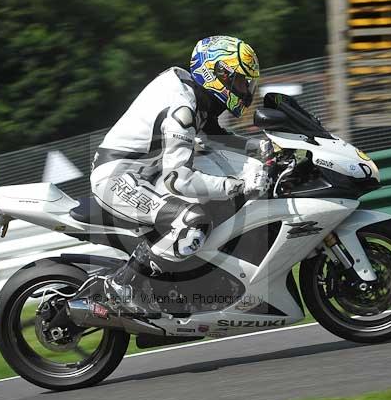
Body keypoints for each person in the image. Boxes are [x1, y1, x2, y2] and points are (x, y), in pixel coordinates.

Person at [90, 35, 268, 314]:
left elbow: (214, 134)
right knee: (192, 222)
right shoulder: (181, 109)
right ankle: (121, 285)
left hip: (147, 173)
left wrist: (260, 146)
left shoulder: (194, 94)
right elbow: (180, 180)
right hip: (118, 177)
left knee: (213, 203)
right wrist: (238, 186)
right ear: (216, 73)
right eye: (239, 82)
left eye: (247, 83)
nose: (245, 90)